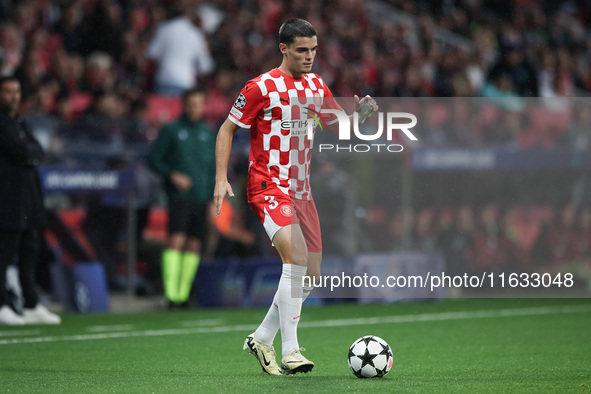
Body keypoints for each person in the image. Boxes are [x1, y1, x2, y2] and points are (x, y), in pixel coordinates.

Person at [214, 19, 377, 375]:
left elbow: (338, 124)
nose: (309, 57)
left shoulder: (317, 85)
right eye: (302, 50)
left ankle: (261, 337)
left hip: (302, 192)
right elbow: (227, 129)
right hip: (268, 185)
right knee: (297, 260)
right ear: (283, 48)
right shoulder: (261, 87)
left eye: (314, 50)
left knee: (310, 275)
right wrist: (220, 177)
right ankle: (291, 352)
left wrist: (360, 116)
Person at [0, 76, 61, 325]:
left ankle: (30, 303)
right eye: (7, 91)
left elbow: (36, 149)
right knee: (4, 255)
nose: (14, 96)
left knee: (30, 251)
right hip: (7, 198)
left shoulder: (18, 120)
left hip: (28, 198)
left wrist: (29, 154)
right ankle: (3, 304)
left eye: (16, 91)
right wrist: (29, 154)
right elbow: (20, 150)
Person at [148, 88, 215, 307]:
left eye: (198, 104)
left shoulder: (208, 132)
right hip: (179, 196)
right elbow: (154, 159)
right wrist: (172, 174)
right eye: (191, 104)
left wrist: (215, 192)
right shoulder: (172, 130)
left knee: (195, 244)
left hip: (202, 196)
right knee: (176, 239)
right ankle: (171, 294)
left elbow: (214, 166)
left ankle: (183, 295)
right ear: (184, 105)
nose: (194, 108)